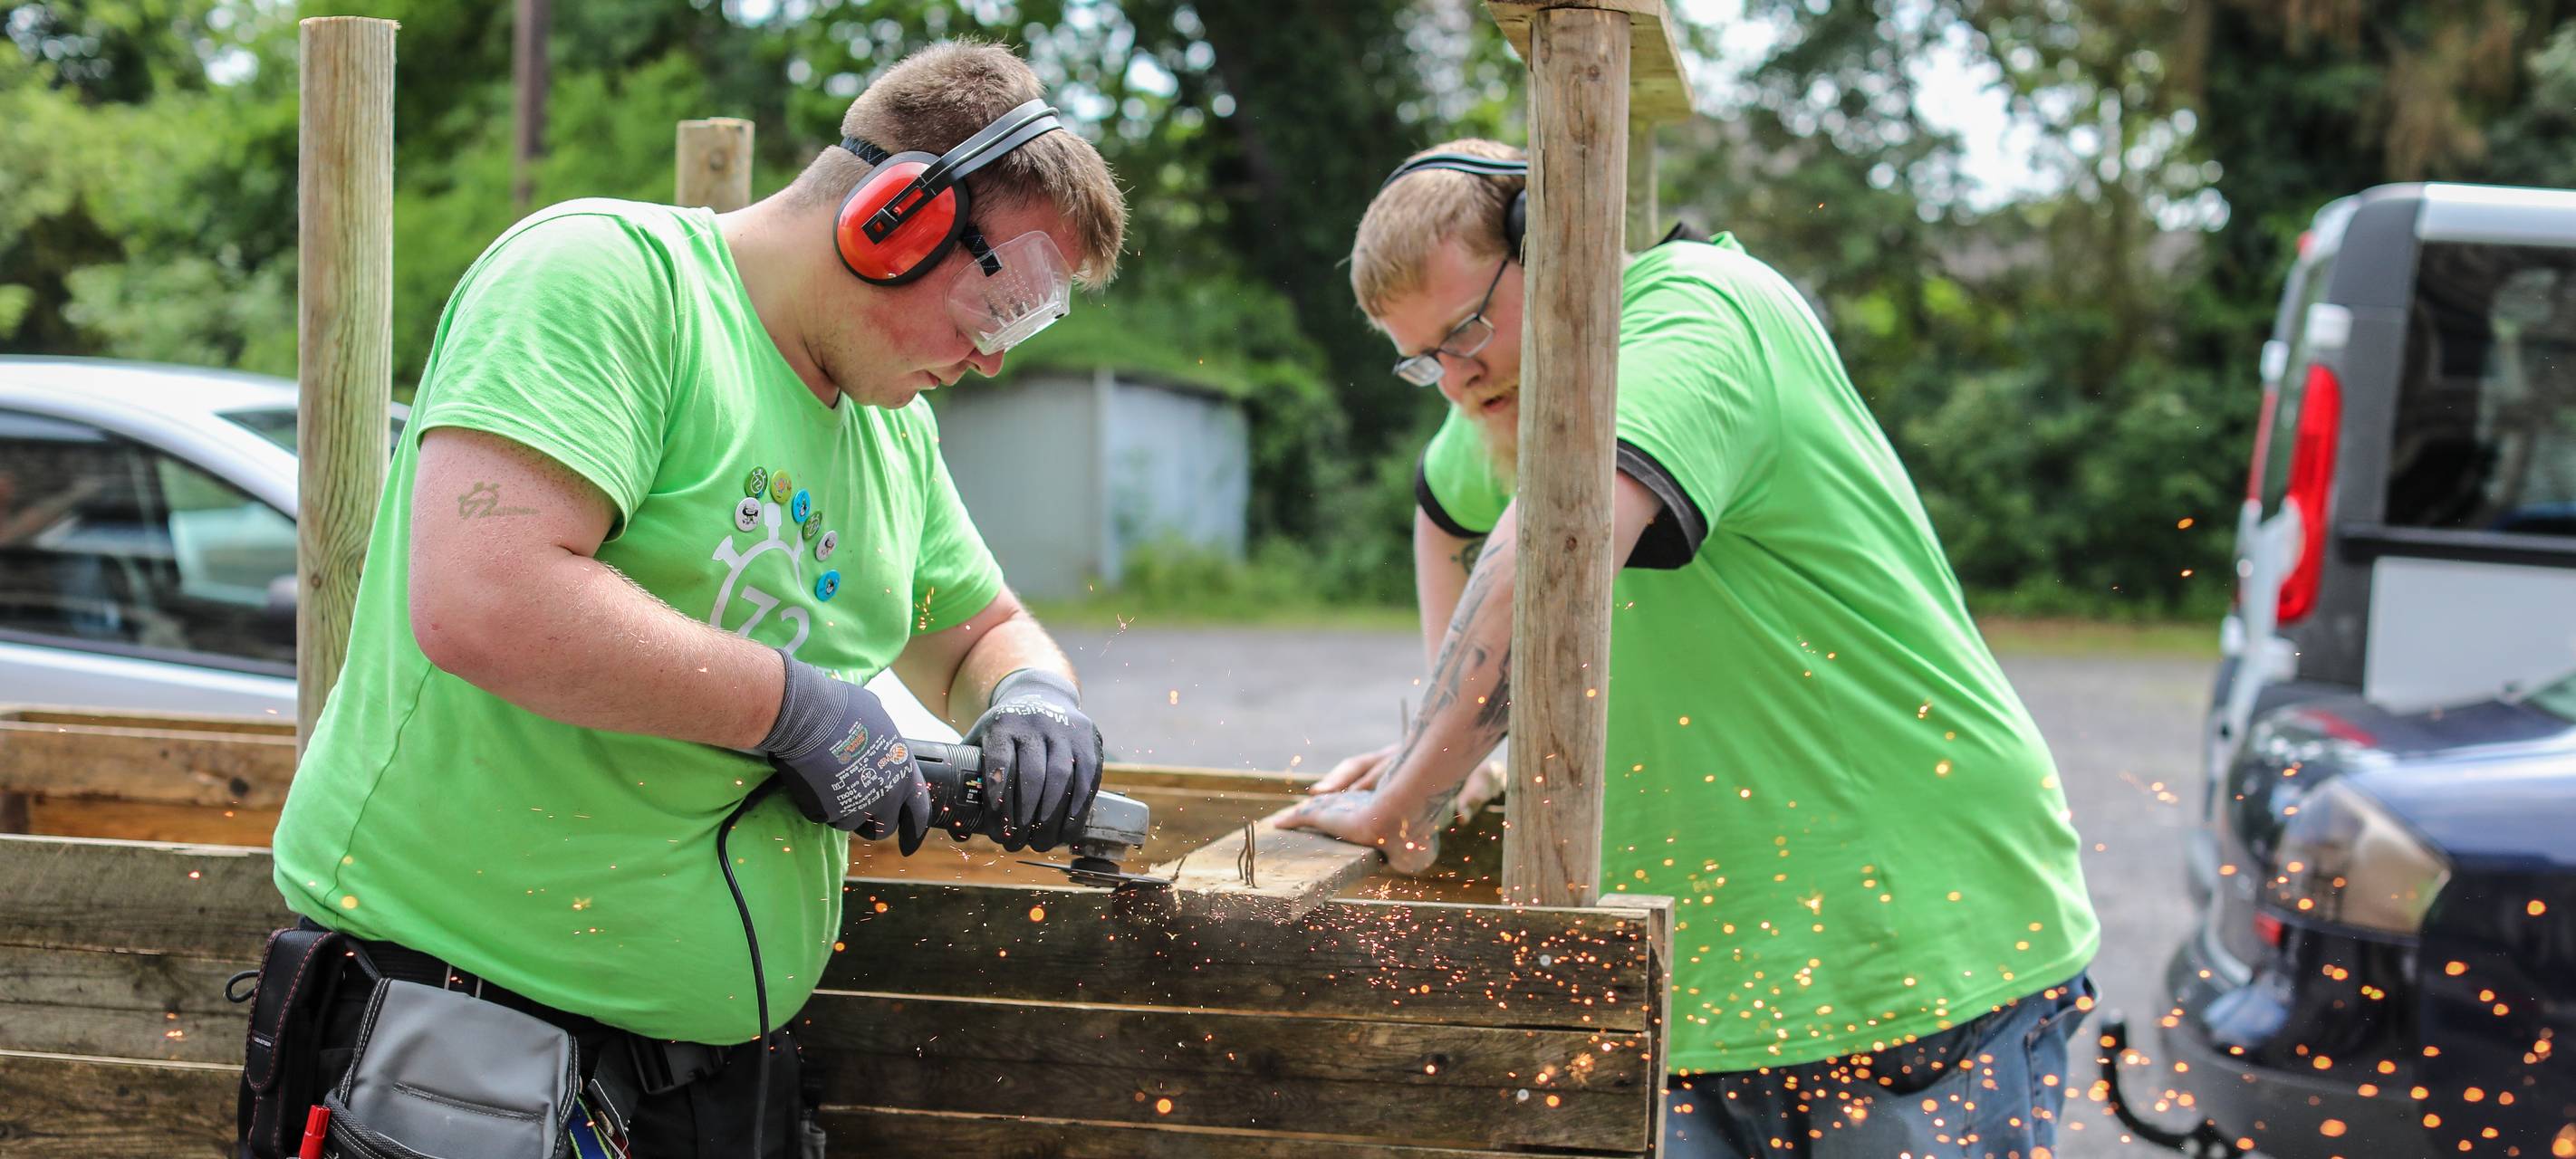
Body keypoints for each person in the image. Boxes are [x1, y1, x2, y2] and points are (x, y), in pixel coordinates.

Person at [246, 42, 1127, 1159]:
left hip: (710, 1084)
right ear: (893, 218)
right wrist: (793, 710)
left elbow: (980, 631)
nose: (993, 358)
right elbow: (484, 592)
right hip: (463, 1045)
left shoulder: (891, 429)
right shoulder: (606, 280)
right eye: (997, 304)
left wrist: (1033, 696)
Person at [1274, 139, 2101, 1159]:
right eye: (1423, 358)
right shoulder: (1499, 403)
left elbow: (1552, 545)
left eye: (1471, 328)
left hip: (1911, 962)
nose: (1454, 378)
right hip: (1687, 1000)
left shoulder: (1700, 313)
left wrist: (1400, 797)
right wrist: (1466, 758)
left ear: (1559, 234)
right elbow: (1445, 509)